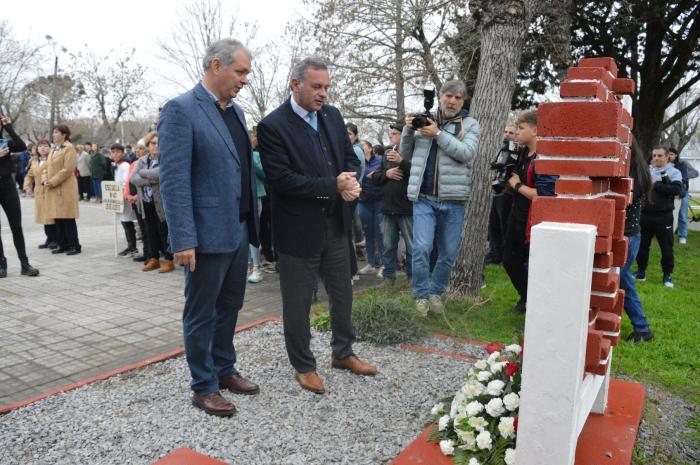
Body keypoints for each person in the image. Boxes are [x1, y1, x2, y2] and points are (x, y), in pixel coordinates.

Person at [258, 56, 377, 395]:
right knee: (298, 302)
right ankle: (304, 365)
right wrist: (333, 186)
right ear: (295, 84)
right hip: (297, 230)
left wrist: (351, 181)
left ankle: (343, 353)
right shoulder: (273, 126)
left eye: (326, 87)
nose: (323, 93)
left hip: (336, 225)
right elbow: (282, 180)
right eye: (316, 87)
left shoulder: (332, 115)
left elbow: (348, 156)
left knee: (342, 293)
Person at [159, 38, 260, 417]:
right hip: (203, 235)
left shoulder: (236, 113)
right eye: (241, 72)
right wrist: (183, 237)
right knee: (201, 311)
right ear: (216, 66)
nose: (244, 80)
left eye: (246, 73)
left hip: (237, 230)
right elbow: (174, 180)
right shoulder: (181, 110)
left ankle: (224, 369)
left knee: (230, 305)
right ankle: (203, 386)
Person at [401, 80, 480, 316]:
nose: (452, 101)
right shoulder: (424, 118)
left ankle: (436, 293)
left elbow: (466, 153)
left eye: (458, 98)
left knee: (448, 253)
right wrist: (408, 129)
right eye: (448, 96)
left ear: (463, 101)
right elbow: (405, 154)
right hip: (424, 197)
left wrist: (437, 133)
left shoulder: (470, 124)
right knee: (422, 248)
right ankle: (421, 296)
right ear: (440, 96)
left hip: (454, 199)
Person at [503, 110, 557, 314]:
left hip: (533, 221)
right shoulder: (523, 154)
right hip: (517, 215)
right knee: (509, 260)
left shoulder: (544, 158)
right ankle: (527, 297)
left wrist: (517, 186)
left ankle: (535, 305)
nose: (516, 132)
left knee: (535, 266)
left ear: (535, 130)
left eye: (521, 128)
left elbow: (543, 195)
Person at [621, 139, 654, 342]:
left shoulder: (633, 176)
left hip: (628, 236)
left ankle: (642, 328)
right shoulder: (637, 172)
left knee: (623, 279)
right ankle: (642, 328)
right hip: (629, 235)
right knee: (622, 279)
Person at [635, 146, 682, 288]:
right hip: (645, 215)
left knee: (666, 247)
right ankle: (641, 272)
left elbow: (676, 190)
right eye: (654, 155)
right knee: (642, 246)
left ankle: (667, 276)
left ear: (667, 157)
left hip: (664, 216)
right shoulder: (647, 170)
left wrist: (655, 185)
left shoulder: (674, 172)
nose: (656, 158)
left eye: (660, 155)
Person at [0, 115, 39, 277]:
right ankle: (2, 265)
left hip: (8, 185)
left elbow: (22, 146)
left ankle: (25, 264)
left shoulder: (6, 143)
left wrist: (9, 127)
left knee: (16, 226)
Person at [374, 123, 412, 285]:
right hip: (387, 208)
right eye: (391, 134)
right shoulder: (387, 153)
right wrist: (386, 173)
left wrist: (402, 161)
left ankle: (412, 277)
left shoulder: (412, 151)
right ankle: (389, 277)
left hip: (407, 207)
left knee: (412, 246)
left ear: (404, 135)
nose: (392, 137)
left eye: (395, 134)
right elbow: (376, 177)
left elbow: (418, 174)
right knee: (388, 246)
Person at [131, 132, 175, 273]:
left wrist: (143, 173)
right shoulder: (142, 160)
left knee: (164, 231)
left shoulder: (166, 158)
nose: (156, 145)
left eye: (158, 142)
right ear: (148, 145)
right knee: (151, 232)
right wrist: (150, 180)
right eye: (153, 143)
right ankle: (154, 258)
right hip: (146, 202)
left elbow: (161, 173)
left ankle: (169, 260)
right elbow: (133, 179)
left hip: (161, 203)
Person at [45, 124, 82, 255]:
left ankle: (74, 245)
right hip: (53, 187)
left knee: (67, 217)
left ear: (64, 134)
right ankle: (63, 244)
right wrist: (45, 179)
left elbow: (68, 169)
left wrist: (53, 181)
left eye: (56, 132)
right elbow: (47, 166)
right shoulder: (53, 148)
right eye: (53, 132)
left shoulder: (69, 148)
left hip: (65, 187)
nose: (53, 135)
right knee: (58, 217)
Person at [485, 125, 517, 265]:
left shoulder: (517, 150)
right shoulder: (501, 148)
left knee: (505, 225)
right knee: (493, 226)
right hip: (495, 192)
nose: (507, 134)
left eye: (511, 132)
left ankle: (505, 256)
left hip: (508, 194)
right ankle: (494, 254)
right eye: (505, 131)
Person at [23, 139, 58, 250]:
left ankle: (56, 239)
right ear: (37, 149)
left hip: (50, 189)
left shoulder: (54, 158)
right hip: (38, 190)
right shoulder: (34, 161)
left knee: (52, 216)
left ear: (50, 147)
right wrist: (27, 186)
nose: (43, 148)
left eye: (45, 146)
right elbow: (29, 175)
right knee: (43, 216)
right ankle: (49, 238)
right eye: (40, 146)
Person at [357, 140, 384, 277]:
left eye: (364, 145)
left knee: (380, 233)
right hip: (364, 201)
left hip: (379, 201)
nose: (361, 147)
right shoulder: (357, 161)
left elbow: (385, 176)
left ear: (371, 148)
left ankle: (385, 264)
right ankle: (371, 264)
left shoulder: (380, 160)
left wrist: (374, 174)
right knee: (368, 233)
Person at [111, 144, 139, 258]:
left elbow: (127, 182)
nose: (115, 154)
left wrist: (122, 192)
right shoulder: (115, 165)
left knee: (128, 221)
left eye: (117, 152)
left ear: (122, 153)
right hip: (119, 197)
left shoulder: (125, 165)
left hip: (126, 197)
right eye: (112, 152)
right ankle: (130, 246)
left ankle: (133, 247)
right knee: (124, 221)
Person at [668, 147, 698, 245]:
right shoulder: (665, 164)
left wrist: (680, 175)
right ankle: (668, 233)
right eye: (668, 154)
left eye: (671, 154)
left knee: (682, 215)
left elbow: (695, 173)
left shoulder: (683, 163)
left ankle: (683, 235)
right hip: (668, 192)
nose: (669, 156)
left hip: (682, 192)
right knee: (669, 214)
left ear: (676, 155)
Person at [247, 129, 265, 283]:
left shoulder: (255, 155)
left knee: (253, 230)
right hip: (239, 198)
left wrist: (250, 155)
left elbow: (264, 172)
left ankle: (257, 268)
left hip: (255, 196)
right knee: (243, 233)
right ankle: (247, 266)